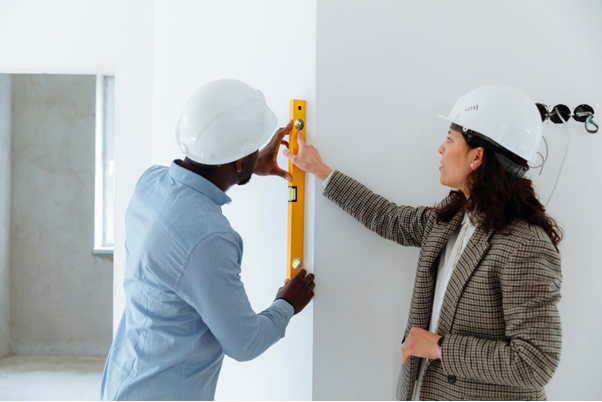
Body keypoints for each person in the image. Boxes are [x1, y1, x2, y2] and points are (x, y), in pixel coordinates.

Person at [284, 85, 562, 401]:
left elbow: (536, 362)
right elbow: (388, 218)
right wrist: (320, 170)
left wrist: (439, 346)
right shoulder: (455, 217)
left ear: (477, 156)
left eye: (449, 139)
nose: (440, 149)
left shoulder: (524, 244)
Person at [101, 79, 316, 401]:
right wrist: (286, 303)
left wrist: (247, 164)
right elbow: (245, 343)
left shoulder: (150, 183)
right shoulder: (211, 239)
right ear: (239, 161)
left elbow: (194, 197)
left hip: (123, 379)